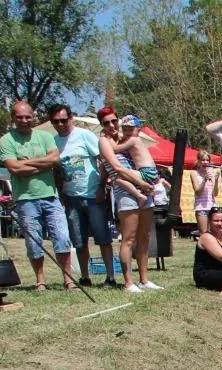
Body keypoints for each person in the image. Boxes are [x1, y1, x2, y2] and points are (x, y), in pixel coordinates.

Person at [0, 101, 75, 291]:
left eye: (27, 116)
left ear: (34, 116)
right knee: (34, 242)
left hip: (50, 196)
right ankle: (40, 281)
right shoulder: (7, 140)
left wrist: (26, 164)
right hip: (25, 198)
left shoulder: (45, 136)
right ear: (13, 118)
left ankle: (68, 279)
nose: (24, 120)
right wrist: (41, 164)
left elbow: (54, 160)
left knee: (62, 238)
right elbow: (14, 168)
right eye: (19, 117)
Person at [46, 104, 115, 287]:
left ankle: (110, 277)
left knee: (103, 238)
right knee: (79, 240)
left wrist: (102, 186)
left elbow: (105, 160)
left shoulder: (84, 136)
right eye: (55, 121)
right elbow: (56, 171)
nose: (60, 124)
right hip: (71, 198)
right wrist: (61, 194)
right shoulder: (53, 142)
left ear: (71, 118)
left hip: (93, 195)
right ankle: (85, 277)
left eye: (63, 120)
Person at [95, 107, 158, 293]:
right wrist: (142, 184)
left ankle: (144, 280)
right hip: (126, 190)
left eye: (114, 121)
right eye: (106, 123)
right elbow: (117, 168)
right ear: (102, 125)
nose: (111, 125)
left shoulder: (125, 137)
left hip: (142, 187)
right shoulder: (104, 141)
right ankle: (128, 282)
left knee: (144, 236)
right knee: (128, 237)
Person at [191, 153, 216, 231]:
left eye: (207, 160)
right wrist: (204, 180)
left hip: (212, 206)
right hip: (201, 208)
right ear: (198, 161)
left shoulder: (212, 173)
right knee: (204, 234)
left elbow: (215, 193)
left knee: (213, 234)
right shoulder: (194, 174)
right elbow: (198, 192)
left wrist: (216, 180)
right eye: (203, 160)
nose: (205, 162)